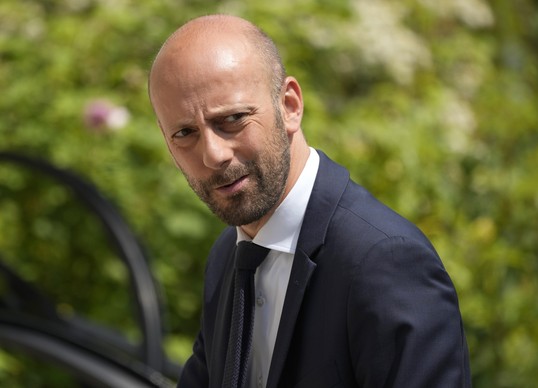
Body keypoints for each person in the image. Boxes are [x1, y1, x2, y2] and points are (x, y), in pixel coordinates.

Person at [149, 14, 471, 388]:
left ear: (289, 106)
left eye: (233, 119)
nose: (213, 154)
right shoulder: (227, 257)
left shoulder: (385, 262)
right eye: (185, 133)